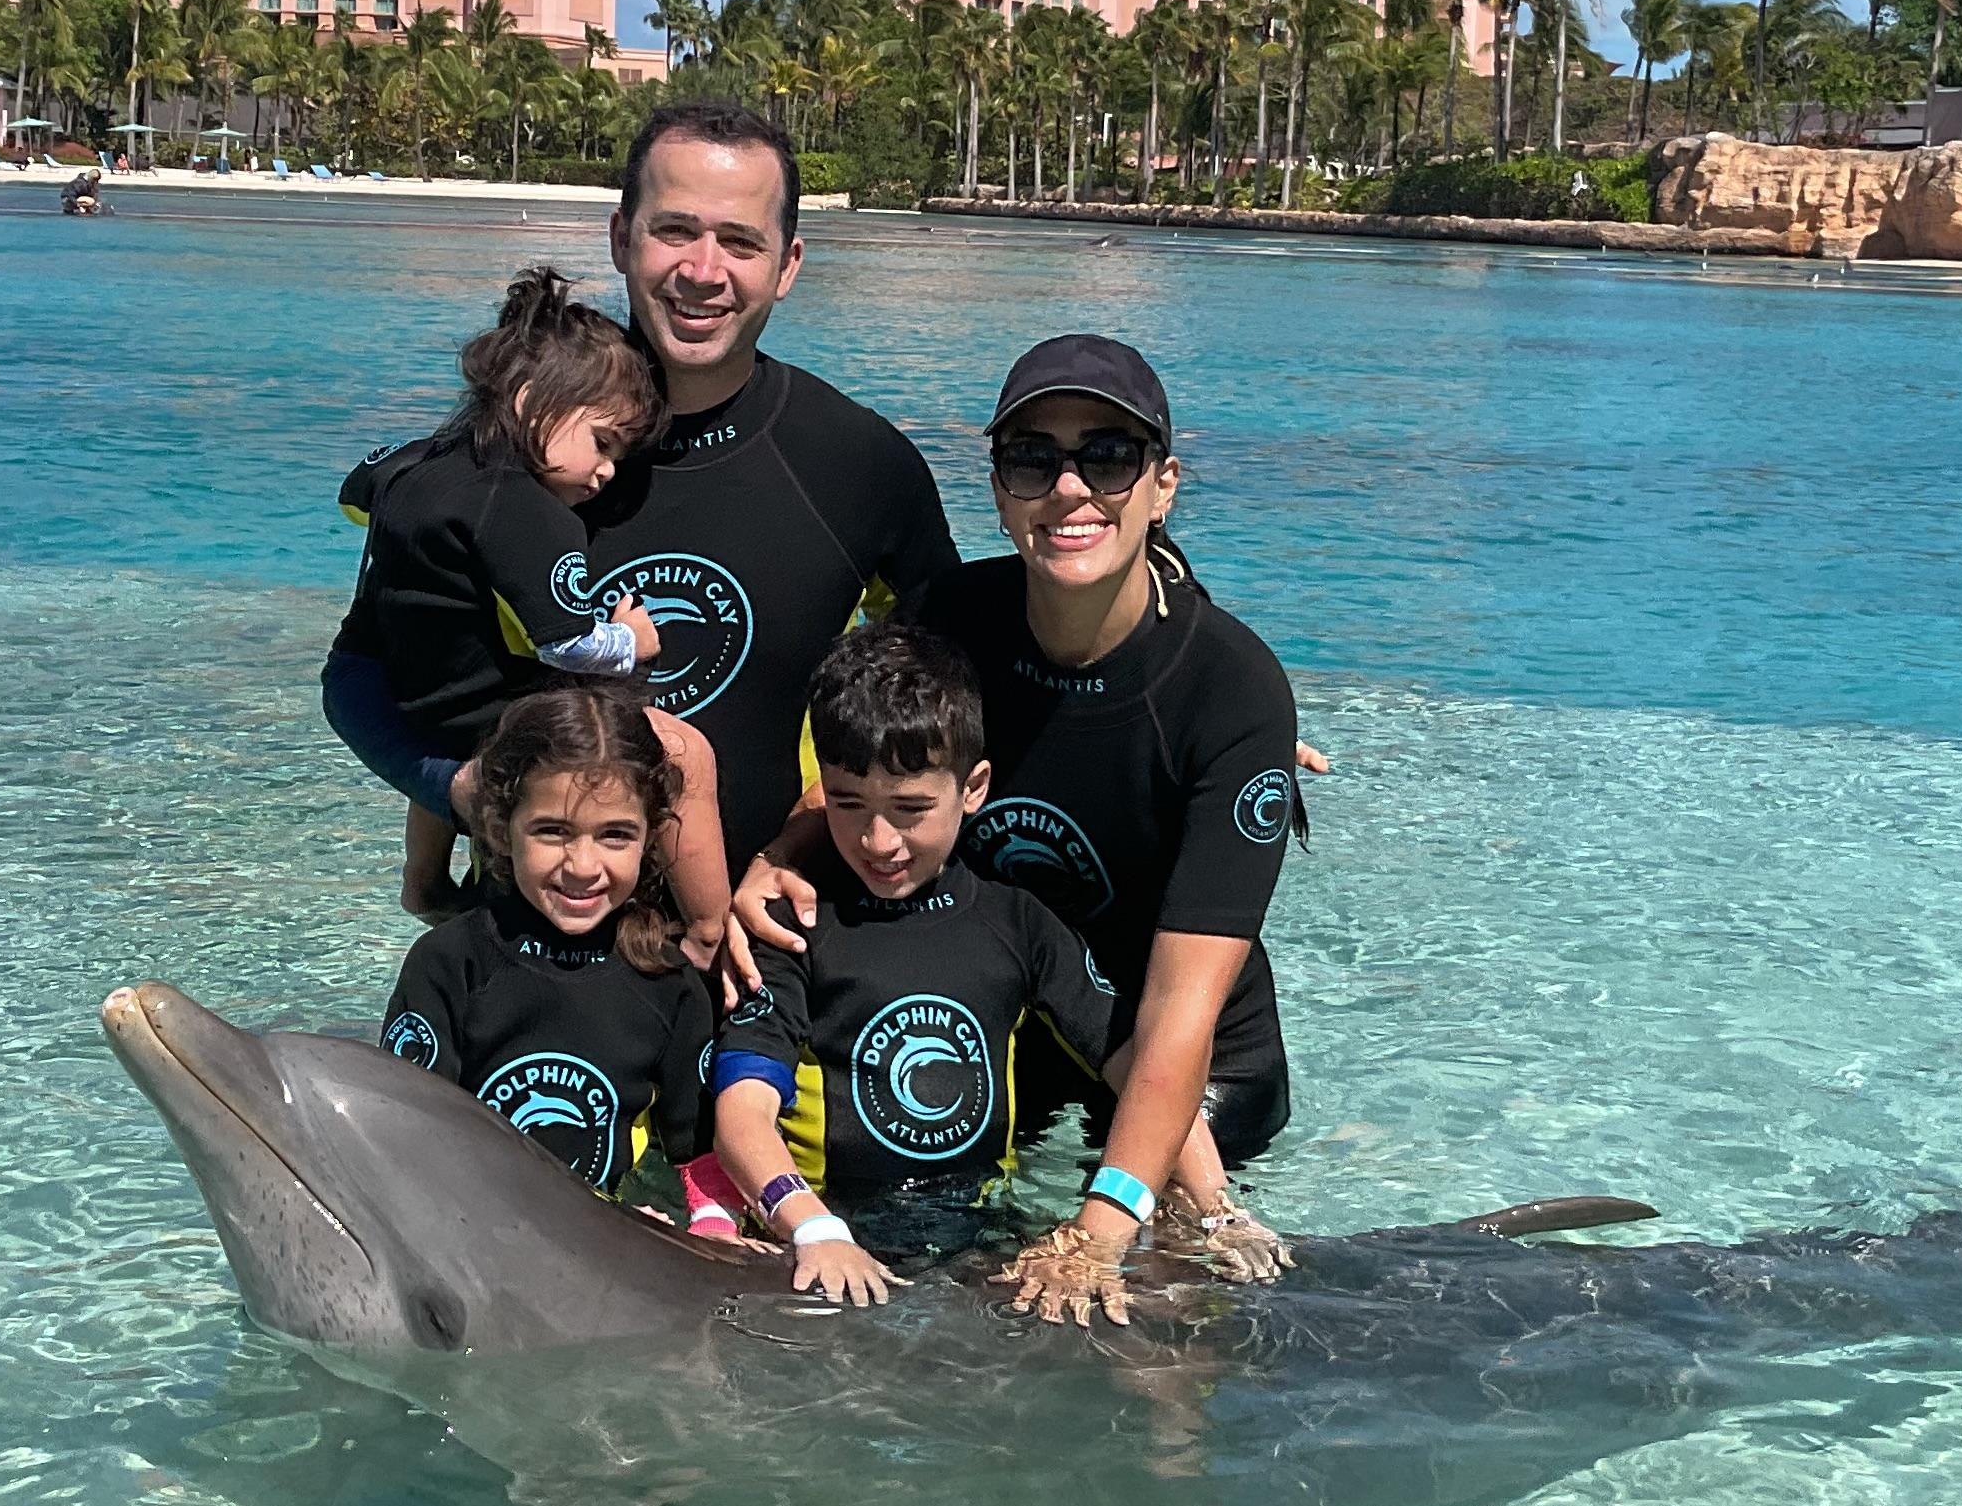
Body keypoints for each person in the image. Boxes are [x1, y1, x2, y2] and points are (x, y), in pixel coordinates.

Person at [735, 334, 1300, 1328]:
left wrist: (1105, 1225)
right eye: (1033, 459)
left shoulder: (1232, 690)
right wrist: (777, 859)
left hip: (1185, 1052)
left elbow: (1174, 1013)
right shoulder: (951, 619)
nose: (1070, 487)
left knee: (1170, 1302)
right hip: (1016, 1020)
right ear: (999, 489)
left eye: (1109, 457)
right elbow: (867, 766)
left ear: (1163, 485)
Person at [695, 625, 1235, 1284]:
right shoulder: (793, 923)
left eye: (911, 807)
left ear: (973, 788)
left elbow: (1143, 1069)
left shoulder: (1019, 925)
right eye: (847, 802)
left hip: (981, 1234)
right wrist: (813, 1229)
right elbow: (741, 1112)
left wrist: (1218, 1209)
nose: (879, 839)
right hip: (826, 1231)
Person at [567, 101, 959, 882]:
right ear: (620, 239)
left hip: (766, 937)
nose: (703, 271)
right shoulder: (520, 441)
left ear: (787, 266)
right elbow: (362, 675)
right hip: (538, 936)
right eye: (674, 230)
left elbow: (950, 703)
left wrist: (797, 845)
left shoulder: (858, 463)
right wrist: (462, 788)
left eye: (741, 242)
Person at [323, 265, 723, 941]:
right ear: (532, 401)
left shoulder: (417, 460)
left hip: (367, 685)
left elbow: (353, 498)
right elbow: (567, 644)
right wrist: (631, 639)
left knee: (451, 746)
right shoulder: (523, 510)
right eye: (603, 443)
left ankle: (421, 883)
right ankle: (714, 926)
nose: (606, 474)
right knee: (685, 753)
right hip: (469, 719)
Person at [376, 686, 721, 1206]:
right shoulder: (449, 966)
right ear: (499, 830)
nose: (583, 866)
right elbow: (403, 1136)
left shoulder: (667, 982)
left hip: (602, 1244)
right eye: (553, 831)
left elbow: (694, 1160)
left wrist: (712, 1226)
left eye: (615, 836)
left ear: (649, 839)